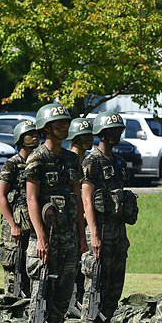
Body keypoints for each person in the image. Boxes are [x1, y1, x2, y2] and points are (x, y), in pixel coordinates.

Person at [24, 103, 87, 323]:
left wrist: (82, 235)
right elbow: (31, 199)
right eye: (60, 123)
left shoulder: (72, 159)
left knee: (62, 295)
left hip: (69, 237)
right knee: (42, 293)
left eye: (66, 122)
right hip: (45, 238)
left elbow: (78, 198)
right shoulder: (37, 158)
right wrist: (40, 236)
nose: (65, 126)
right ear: (47, 128)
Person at [79, 111, 133, 323]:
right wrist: (94, 234)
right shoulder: (92, 161)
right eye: (112, 131)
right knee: (95, 282)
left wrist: (125, 235)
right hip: (98, 230)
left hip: (117, 231)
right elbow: (87, 200)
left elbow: (120, 200)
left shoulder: (118, 162)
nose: (116, 135)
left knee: (114, 284)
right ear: (101, 133)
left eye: (119, 130)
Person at [0, 119, 39, 296]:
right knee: (14, 273)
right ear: (20, 139)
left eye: (37, 134)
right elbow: (0, 195)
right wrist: (12, 224)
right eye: (30, 134)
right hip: (15, 226)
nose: (35, 137)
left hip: (33, 225)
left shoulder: (39, 162)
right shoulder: (12, 164)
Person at [67, 117, 94, 308]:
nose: (89, 139)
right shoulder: (68, 161)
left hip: (85, 223)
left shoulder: (90, 162)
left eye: (90, 135)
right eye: (84, 136)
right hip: (69, 221)